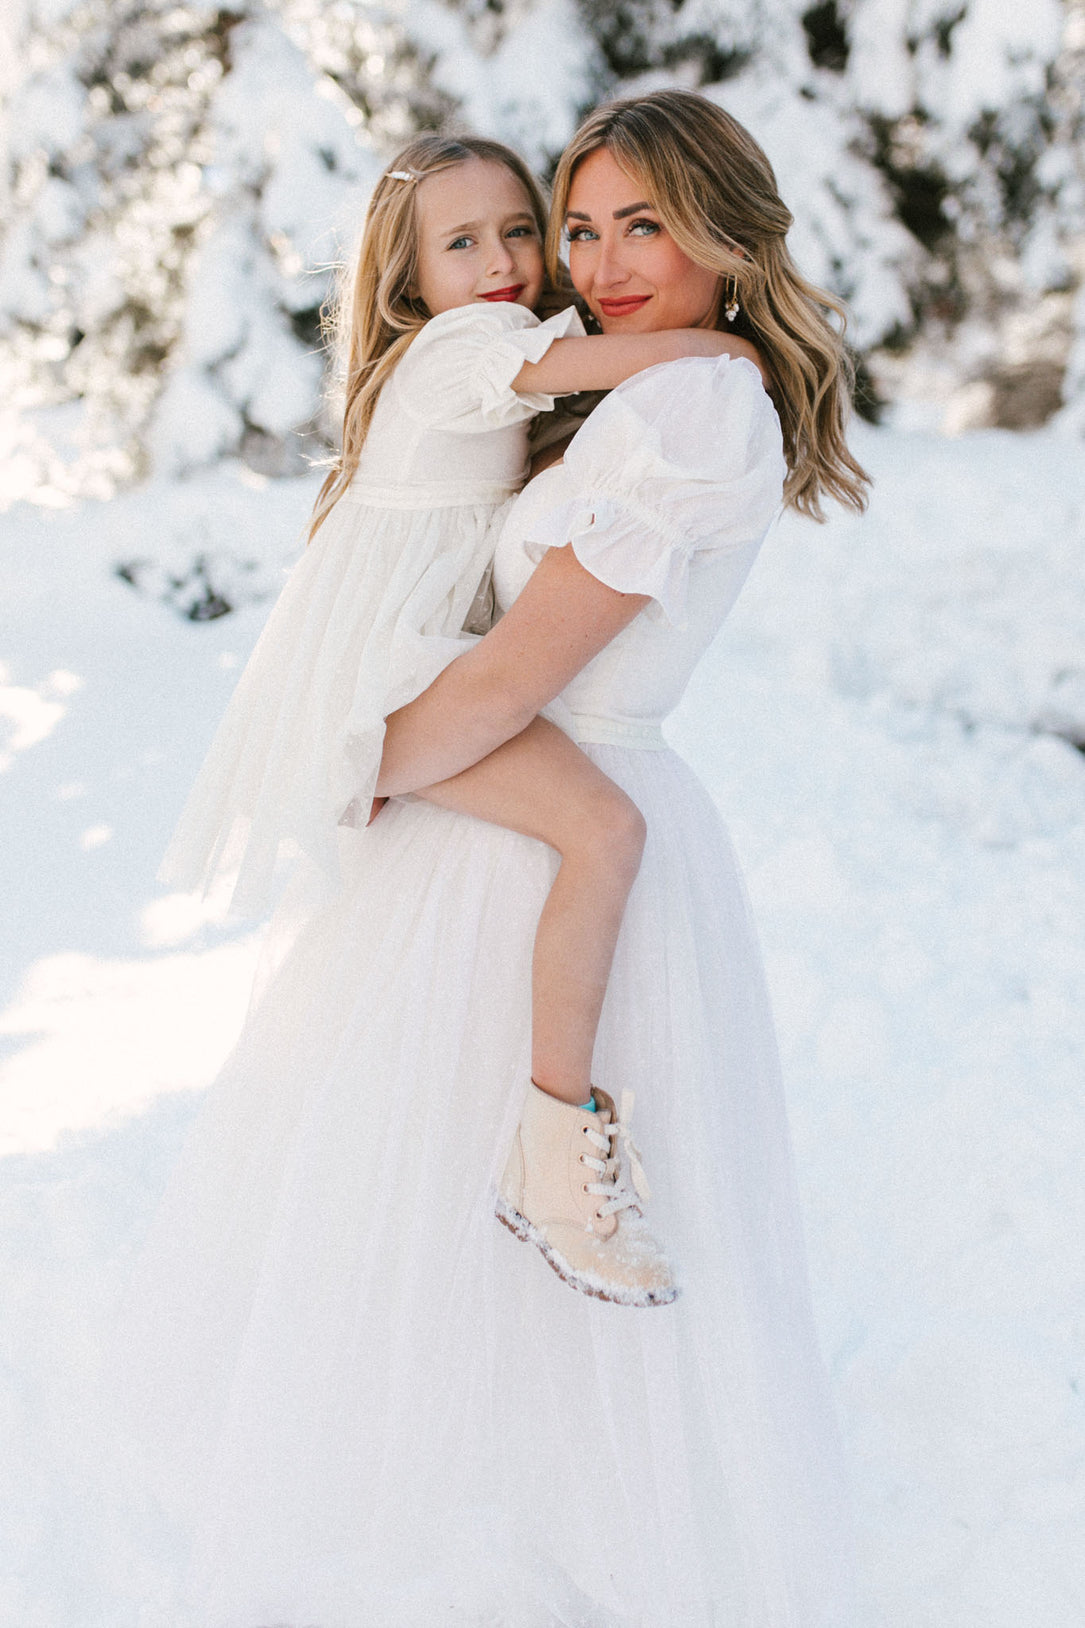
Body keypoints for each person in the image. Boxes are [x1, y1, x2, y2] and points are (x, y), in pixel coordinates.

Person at [115, 90, 869, 1628]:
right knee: (415, 1196)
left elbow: (527, 671)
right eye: (578, 227)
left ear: (724, 227)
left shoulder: (696, 399)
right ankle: (489, 1508)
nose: (594, 261)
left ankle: (564, 1523)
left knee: (500, 1196)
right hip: (497, 817)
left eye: (635, 224)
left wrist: (366, 765)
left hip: (527, 801)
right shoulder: (620, 387)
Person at [160, 130, 760, 1305]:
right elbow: (592, 364)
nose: (507, 260)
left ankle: (547, 1147)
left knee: (591, 841)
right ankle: (552, 1148)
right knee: (602, 833)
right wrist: (718, 343)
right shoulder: (468, 347)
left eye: (521, 232)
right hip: (394, 667)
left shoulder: (504, 346)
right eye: (463, 242)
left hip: (413, 660)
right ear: (410, 279)